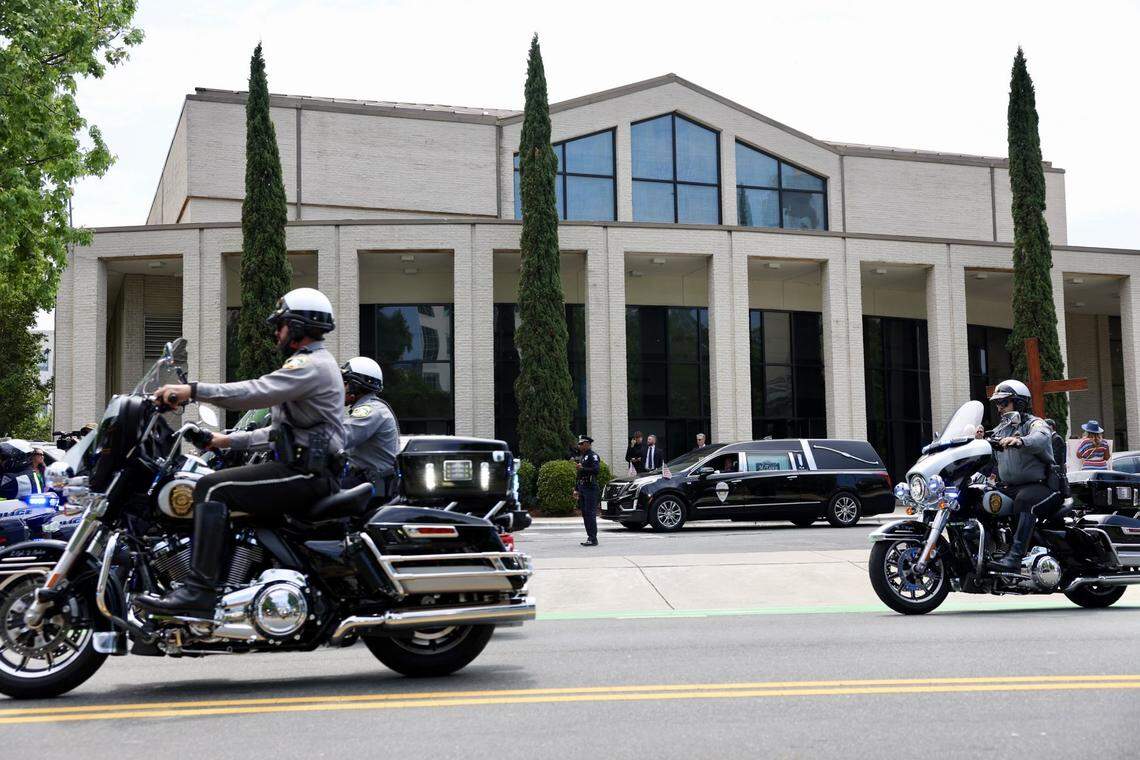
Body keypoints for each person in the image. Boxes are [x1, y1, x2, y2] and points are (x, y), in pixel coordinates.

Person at [136, 287, 345, 617]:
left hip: (307, 474)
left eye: (281, 324)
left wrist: (191, 391)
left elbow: (254, 391)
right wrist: (225, 441)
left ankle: (199, 591)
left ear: (299, 327)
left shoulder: (310, 365)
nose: (276, 332)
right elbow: (279, 434)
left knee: (211, 487)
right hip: (303, 468)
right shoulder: (311, 365)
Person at [987, 379, 1059, 571]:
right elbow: (988, 444)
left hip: (1043, 486)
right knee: (981, 498)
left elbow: (1041, 438)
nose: (999, 407)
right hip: (1010, 487)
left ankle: (1016, 558)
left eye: (1004, 402)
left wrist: (1021, 441)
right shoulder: (1002, 428)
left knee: (1025, 500)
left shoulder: (1034, 423)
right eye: (997, 403)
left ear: (1019, 403)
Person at [340, 356, 401, 500]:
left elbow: (340, 437)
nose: (340, 388)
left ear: (356, 385)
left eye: (345, 383)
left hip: (371, 487)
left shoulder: (371, 411)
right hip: (363, 482)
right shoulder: (369, 408)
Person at [573, 435, 601, 547]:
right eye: (579, 444)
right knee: (585, 513)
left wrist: (582, 469)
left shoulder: (592, 456)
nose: (579, 446)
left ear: (587, 444)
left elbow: (596, 470)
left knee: (590, 513)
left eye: (581, 444)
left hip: (590, 487)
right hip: (583, 487)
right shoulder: (583, 457)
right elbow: (579, 474)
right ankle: (590, 536)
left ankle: (593, 538)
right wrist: (576, 489)